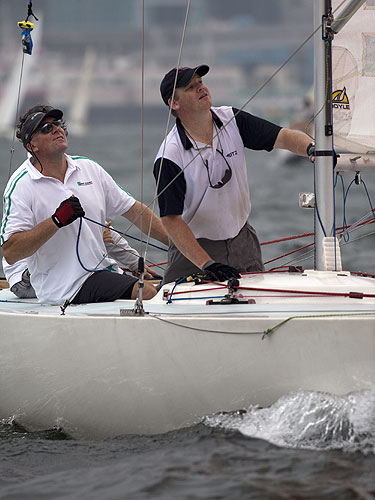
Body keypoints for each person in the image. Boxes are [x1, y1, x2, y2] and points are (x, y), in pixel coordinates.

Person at [153, 65, 314, 284]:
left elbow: (283, 137)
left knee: (256, 308)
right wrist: (207, 264)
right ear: (174, 103)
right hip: (196, 251)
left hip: (242, 240)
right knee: (180, 311)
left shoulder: (232, 119)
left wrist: (313, 150)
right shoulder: (169, 155)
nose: (201, 88)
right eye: (191, 87)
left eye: (201, 83)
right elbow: (171, 220)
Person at [1, 104, 169, 304]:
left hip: (99, 272)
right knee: (148, 293)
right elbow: (11, 252)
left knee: (163, 287)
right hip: (64, 287)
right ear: (32, 146)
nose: (56, 129)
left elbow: (135, 212)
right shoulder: (21, 185)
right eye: (46, 128)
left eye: (58, 124)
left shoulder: (89, 168)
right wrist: (56, 220)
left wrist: (178, 246)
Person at [2, 223, 159, 299]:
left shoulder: (83, 203)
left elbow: (110, 234)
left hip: (65, 273)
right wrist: (94, 238)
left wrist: (136, 264)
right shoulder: (45, 206)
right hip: (24, 279)